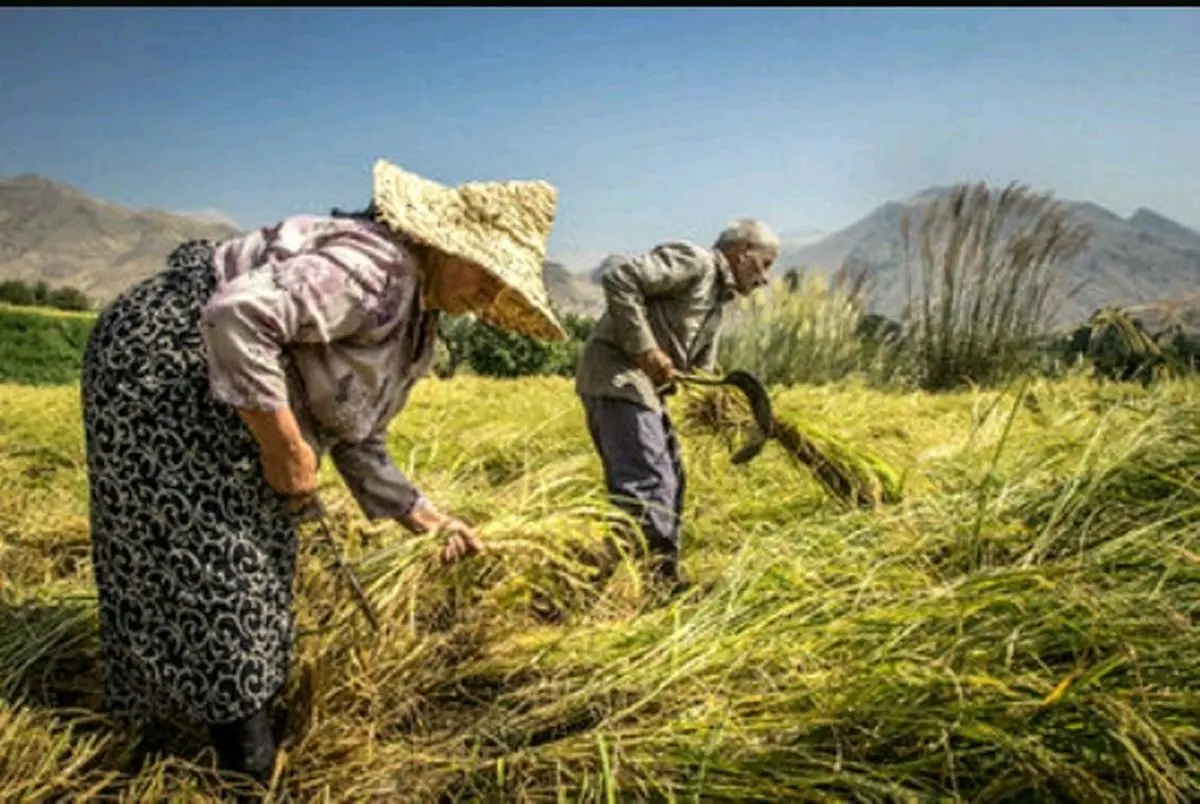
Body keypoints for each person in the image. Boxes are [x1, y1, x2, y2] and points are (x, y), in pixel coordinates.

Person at [80, 158, 566, 788]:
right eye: (486, 273)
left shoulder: (418, 320)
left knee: (248, 560)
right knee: (219, 563)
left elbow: (356, 432)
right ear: (446, 244)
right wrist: (283, 445)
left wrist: (424, 515)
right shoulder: (379, 271)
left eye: (504, 288)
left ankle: (202, 732)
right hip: (164, 363)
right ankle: (236, 762)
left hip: (219, 377)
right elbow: (238, 315)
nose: (489, 296)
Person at [574, 219, 780, 589]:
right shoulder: (695, 262)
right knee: (649, 482)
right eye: (765, 264)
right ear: (742, 251)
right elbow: (620, 277)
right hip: (619, 377)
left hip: (646, 391)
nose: (765, 278)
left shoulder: (717, 302)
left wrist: (727, 408)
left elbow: (700, 371)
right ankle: (649, 585)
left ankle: (645, 573)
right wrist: (646, 348)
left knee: (673, 480)